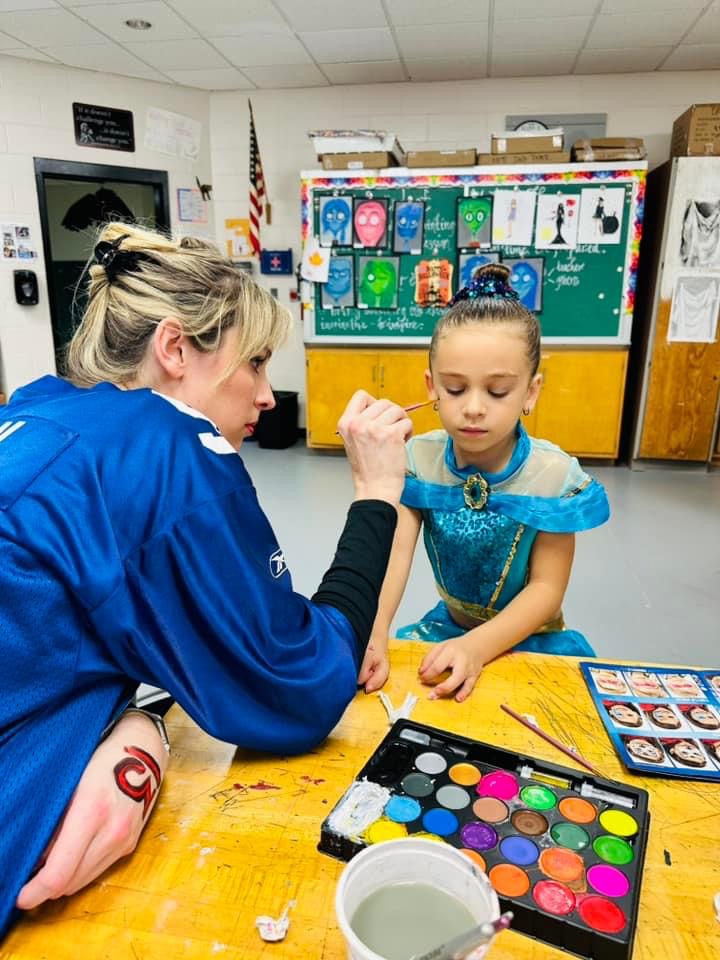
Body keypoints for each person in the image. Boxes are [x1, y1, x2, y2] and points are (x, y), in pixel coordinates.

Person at [0, 223, 411, 936]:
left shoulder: (38, 406)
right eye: (252, 362)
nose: (266, 396)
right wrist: (377, 495)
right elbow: (300, 685)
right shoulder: (160, 448)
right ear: (174, 348)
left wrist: (139, 725)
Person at [359, 264, 609, 702]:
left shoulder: (552, 476)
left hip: (527, 638)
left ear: (531, 392)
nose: (474, 408)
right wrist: (375, 630)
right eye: (455, 389)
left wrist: (478, 647)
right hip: (447, 630)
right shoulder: (419, 457)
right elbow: (394, 556)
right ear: (431, 386)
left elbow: (547, 590)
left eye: (497, 392)